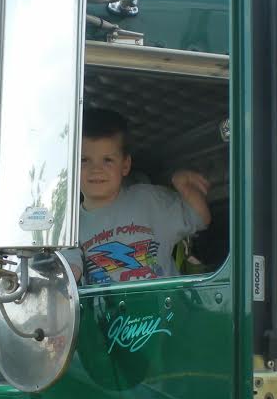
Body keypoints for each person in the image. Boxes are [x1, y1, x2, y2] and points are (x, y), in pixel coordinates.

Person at [67, 108, 210, 285]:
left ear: (125, 165)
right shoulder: (70, 228)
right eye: (84, 160)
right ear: (71, 166)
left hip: (165, 303)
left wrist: (184, 186)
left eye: (108, 160)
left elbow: (199, 218)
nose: (96, 169)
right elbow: (67, 274)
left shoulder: (148, 200)